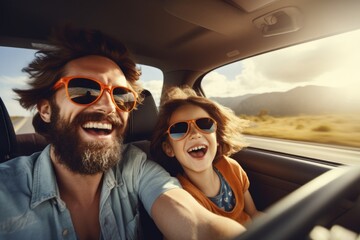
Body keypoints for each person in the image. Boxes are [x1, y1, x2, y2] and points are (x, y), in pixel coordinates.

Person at [0, 27, 246, 239]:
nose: (109, 106)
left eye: (122, 96)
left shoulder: (135, 165)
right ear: (46, 110)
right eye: (84, 90)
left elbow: (197, 224)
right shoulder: (6, 190)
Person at [151, 87, 261, 225]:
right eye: (179, 129)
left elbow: (254, 214)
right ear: (169, 148)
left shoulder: (232, 168)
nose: (195, 134)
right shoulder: (182, 198)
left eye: (204, 124)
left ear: (216, 137)